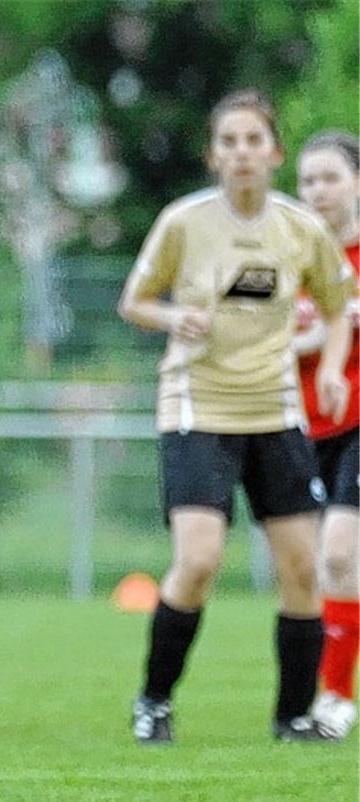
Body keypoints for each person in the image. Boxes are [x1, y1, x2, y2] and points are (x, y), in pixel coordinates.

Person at [116, 90, 354, 744]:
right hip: (197, 406)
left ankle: (294, 715)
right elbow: (133, 300)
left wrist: (331, 368)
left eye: (254, 141)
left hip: (274, 410)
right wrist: (172, 316)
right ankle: (155, 699)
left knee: (302, 567)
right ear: (213, 155)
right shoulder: (183, 222)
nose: (242, 153)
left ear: (274, 152)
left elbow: (339, 307)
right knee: (198, 560)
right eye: (230, 142)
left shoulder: (299, 227)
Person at [294, 130, 360, 739]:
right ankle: (314, 696)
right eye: (308, 180)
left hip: (358, 423)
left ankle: (336, 699)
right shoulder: (289, 262)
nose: (318, 191)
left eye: (331, 177)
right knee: (313, 568)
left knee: (341, 554)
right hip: (303, 426)